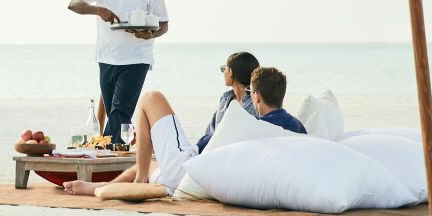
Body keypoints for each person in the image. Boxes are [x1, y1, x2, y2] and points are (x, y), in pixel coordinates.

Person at [63, 66, 306, 196]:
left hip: (190, 171)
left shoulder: (247, 123)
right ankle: (100, 187)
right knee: (144, 165)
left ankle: (138, 183)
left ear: (257, 96)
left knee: (151, 98)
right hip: (197, 173)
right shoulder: (297, 129)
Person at [68, 0, 168, 144]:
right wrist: (99, 10)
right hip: (106, 57)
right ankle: (122, 150)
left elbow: (164, 25)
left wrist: (149, 35)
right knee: (119, 114)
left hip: (137, 57)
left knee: (121, 107)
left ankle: (101, 148)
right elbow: (73, 4)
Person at [195, 51, 260, 154]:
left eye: (223, 69)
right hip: (212, 154)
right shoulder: (225, 99)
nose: (223, 72)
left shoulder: (255, 104)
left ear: (230, 72)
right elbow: (211, 132)